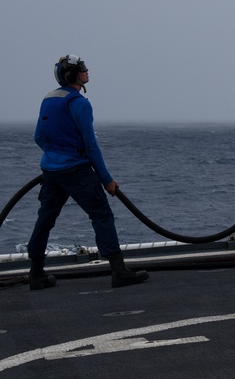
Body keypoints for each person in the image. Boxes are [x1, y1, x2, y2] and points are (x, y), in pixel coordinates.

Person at [26, 55, 149, 290]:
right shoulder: (80, 103)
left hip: (50, 172)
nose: (87, 71)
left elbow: (38, 137)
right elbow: (91, 146)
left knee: (45, 219)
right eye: (83, 68)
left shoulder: (48, 99)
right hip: (77, 171)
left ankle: (36, 273)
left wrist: (55, 156)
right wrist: (106, 180)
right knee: (101, 214)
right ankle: (118, 271)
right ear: (74, 75)